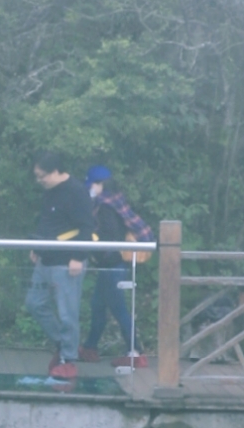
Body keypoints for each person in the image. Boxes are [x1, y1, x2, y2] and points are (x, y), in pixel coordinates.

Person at [79, 161, 153, 365]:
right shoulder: (118, 201)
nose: (90, 189)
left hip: (113, 264)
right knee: (97, 305)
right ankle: (90, 347)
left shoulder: (105, 207)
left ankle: (135, 353)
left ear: (99, 184)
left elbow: (110, 237)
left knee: (119, 308)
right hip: (114, 264)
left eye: (92, 185)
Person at [25, 159, 88, 383]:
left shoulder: (76, 191)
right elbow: (47, 221)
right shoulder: (49, 192)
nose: (39, 180)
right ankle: (64, 344)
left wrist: (78, 257)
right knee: (34, 302)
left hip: (67, 262)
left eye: (42, 175)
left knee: (67, 312)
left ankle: (68, 360)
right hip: (45, 258)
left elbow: (88, 225)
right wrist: (36, 246)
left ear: (55, 171)